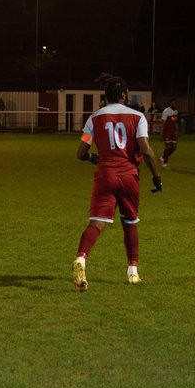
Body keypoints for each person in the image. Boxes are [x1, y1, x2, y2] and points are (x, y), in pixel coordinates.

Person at [72, 74, 164, 290]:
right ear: (124, 95)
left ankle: (81, 259)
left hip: (105, 176)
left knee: (97, 222)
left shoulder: (94, 117)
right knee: (130, 221)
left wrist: (91, 157)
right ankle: (133, 272)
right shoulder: (137, 117)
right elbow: (146, 150)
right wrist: (156, 176)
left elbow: (80, 152)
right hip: (129, 176)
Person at [159, 98, 180, 167]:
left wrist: (178, 130)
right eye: (174, 103)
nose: (175, 104)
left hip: (173, 131)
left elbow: (175, 122)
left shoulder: (176, 111)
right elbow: (163, 123)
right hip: (167, 131)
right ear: (170, 104)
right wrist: (161, 134)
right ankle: (165, 163)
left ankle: (163, 157)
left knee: (174, 147)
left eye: (175, 103)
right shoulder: (166, 111)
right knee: (168, 147)